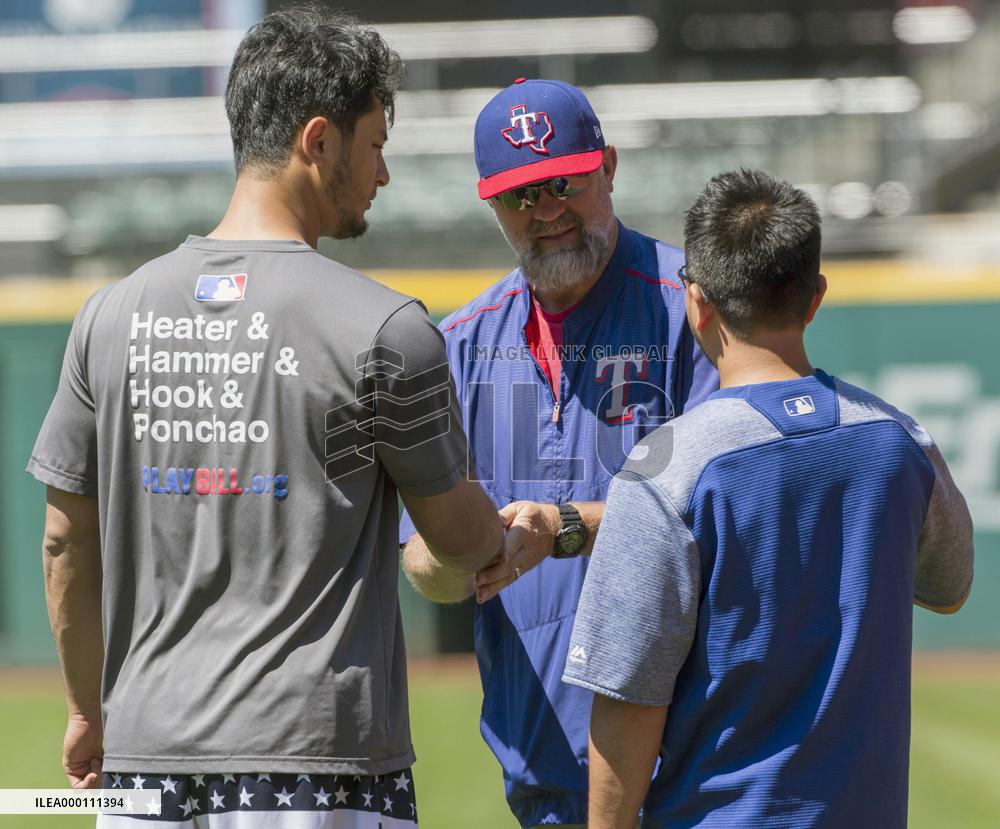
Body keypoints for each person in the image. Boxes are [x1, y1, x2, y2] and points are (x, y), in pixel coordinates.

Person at [28, 7, 504, 827]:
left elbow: (64, 540)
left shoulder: (107, 317)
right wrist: (506, 532)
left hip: (143, 764)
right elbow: (458, 540)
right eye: (375, 144)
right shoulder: (386, 330)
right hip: (319, 768)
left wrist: (84, 709)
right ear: (319, 140)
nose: (384, 174)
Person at [564, 169, 975, 829]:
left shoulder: (668, 467)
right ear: (815, 298)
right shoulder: (901, 440)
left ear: (697, 302)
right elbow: (950, 589)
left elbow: (628, 700)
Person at [400, 79, 718, 828]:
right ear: (491, 203)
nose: (546, 211)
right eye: (521, 195)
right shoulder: (460, 344)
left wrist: (564, 526)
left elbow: (729, 509)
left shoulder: (693, 307)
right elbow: (423, 567)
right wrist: (459, 551)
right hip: (542, 773)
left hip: (690, 771)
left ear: (608, 167)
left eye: (564, 183)